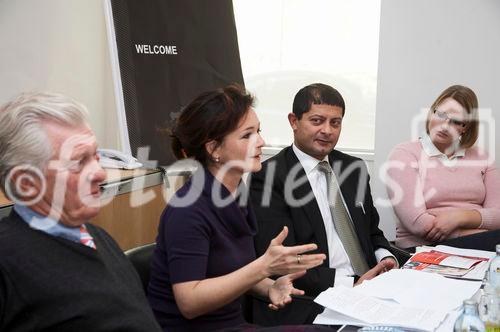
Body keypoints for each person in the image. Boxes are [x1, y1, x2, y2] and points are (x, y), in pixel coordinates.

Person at [147, 84, 327, 332]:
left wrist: (269, 286)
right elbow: (189, 301)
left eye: (259, 132)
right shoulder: (187, 210)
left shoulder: (235, 192)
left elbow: (232, 269)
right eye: (247, 136)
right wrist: (263, 267)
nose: (261, 142)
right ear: (214, 149)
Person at [0, 92, 161, 331]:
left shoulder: (98, 237)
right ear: (26, 183)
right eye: (79, 162)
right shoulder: (6, 261)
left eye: (96, 156)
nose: (100, 173)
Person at [248, 83, 398, 325]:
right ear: (294, 121)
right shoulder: (269, 176)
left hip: (374, 285)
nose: (327, 130)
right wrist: (350, 283)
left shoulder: (354, 169)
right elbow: (282, 261)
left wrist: (385, 259)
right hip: (319, 296)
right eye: (317, 121)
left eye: (335, 123)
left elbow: (372, 232)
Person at [386, 84, 500, 250]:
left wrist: (457, 218)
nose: (445, 126)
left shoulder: (483, 158)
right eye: (441, 115)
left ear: (465, 127)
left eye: (456, 121)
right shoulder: (404, 154)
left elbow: (497, 215)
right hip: (424, 249)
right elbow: (418, 223)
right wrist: (479, 233)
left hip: (483, 246)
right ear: (432, 112)